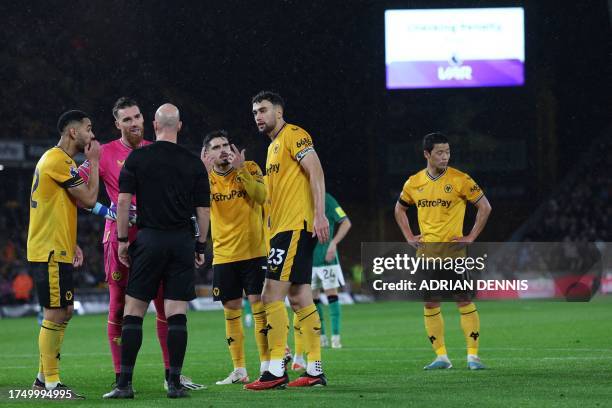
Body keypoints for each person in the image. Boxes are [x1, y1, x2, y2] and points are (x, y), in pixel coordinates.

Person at [79, 97, 203, 390]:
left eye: (137, 117)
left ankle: (170, 375)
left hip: (152, 236)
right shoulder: (105, 153)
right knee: (120, 307)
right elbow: (77, 190)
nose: (134, 124)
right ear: (117, 124)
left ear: (148, 121)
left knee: (165, 306)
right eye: (127, 120)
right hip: (120, 239)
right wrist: (104, 209)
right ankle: (120, 375)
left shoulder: (155, 150)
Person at [245, 91, 329, 390]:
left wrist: (320, 214)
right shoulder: (272, 149)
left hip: (294, 227)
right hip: (284, 229)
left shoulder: (294, 135)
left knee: (270, 295)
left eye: (264, 110)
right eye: (255, 111)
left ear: (278, 112)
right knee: (299, 297)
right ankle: (315, 370)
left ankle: (275, 370)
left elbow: (316, 171)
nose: (258, 116)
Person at [394, 132, 492, 370]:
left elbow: (485, 207)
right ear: (427, 154)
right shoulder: (414, 182)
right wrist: (408, 236)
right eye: (440, 152)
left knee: (463, 300)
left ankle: (472, 356)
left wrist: (471, 237)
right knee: (430, 304)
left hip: (454, 255)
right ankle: (441, 357)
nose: (445, 156)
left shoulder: (461, 179)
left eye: (447, 152)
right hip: (426, 256)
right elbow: (399, 209)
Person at [28, 110, 100, 395]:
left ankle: (42, 378)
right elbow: (89, 199)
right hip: (49, 250)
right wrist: (93, 163)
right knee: (55, 313)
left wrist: (71, 241)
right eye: (88, 129)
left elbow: (54, 206)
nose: (92, 135)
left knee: (64, 310)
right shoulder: (57, 159)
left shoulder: (59, 160)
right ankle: (51, 384)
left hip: (56, 246)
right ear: (73, 132)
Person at [200, 130, 269, 385]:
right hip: (224, 255)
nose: (223, 150)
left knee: (259, 306)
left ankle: (266, 366)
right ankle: (239, 369)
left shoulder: (250, 167)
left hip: (254, 252)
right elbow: (195, 207)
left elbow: (262, 197)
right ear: (207, 155)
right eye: (216, 147)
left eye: (226, 145)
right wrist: (201, 175)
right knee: (231, 311)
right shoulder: (205, 179)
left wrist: (241, 171)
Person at [293, 192, 351, 369]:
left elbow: (346, 222)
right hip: (309, 260)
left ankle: (336, 337)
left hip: (327, 260)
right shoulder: (299, 197)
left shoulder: (326, 198)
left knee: (332, 296)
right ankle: (322, 337)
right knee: (313, 301)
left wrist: (333, 244)